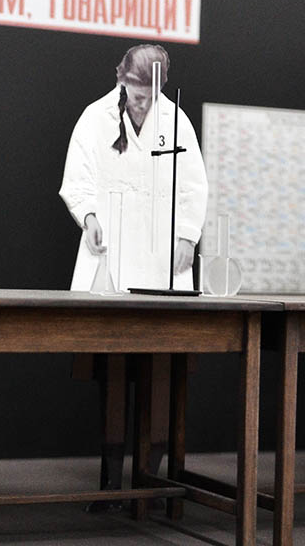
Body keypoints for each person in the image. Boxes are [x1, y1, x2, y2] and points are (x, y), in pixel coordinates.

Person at [59, 43, 207, 510]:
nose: (140, 102)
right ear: (120, 78)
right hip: (113, 258)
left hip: (162, 261)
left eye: (147, 96)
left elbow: (194, 187)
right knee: (114, 371)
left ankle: (150, 482)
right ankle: (110, 483)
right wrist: (88, 217)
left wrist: (188, 236)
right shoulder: (94, 117)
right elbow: (76, 181)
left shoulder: (176, 120)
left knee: (161, 370)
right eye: (134, 92)